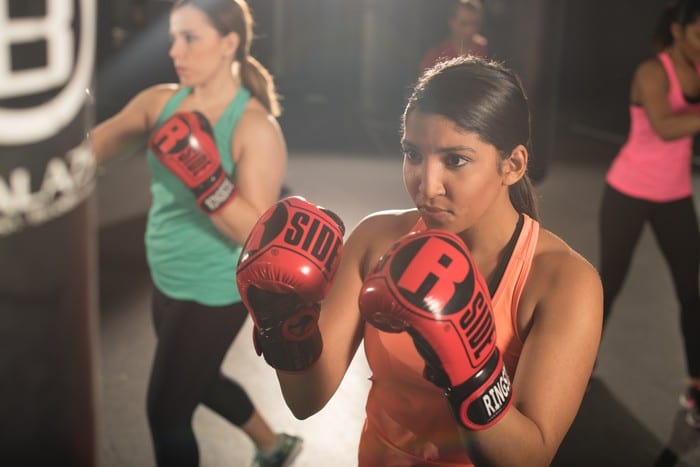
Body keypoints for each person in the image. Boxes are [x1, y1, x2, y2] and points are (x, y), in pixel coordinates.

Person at [236, 55, 603, 466]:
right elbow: (307, 399)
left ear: (512, 165)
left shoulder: (563, 282)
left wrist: (472, 370)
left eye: (455, 160)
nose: (426, 185)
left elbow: (529, 458)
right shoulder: (376, 240)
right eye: (413, 154)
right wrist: (283, 324)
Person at [90, 0, 303, 465]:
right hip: (167, 272)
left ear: (228, 43)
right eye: (173, 38)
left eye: (190, 38)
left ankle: (273, 446)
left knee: (166, 411)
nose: (175, 51)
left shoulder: (255, 128)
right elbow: (91, 151)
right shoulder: (159, 103)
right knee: (198, 379)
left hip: (217, 284)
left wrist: (208, 179)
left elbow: (258, 234)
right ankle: (274, 446)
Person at [599, 0, 700, 430]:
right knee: (609, 285)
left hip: (674, 194)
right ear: (678, 33)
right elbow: (665, 125)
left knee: (690, 292)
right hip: (628, 192)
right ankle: (571, 366)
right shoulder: (651, 72)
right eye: (699, 34)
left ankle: (696, 384)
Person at [420, 0, 488, 73]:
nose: (470, 30)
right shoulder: (436, 54)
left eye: (475, 23)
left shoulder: (486, 49)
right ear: (451, 21)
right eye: (464, 23)